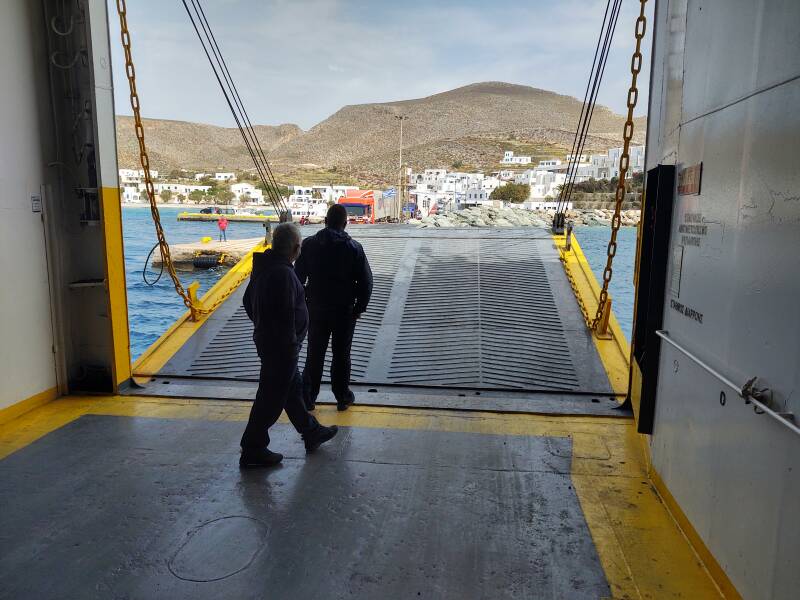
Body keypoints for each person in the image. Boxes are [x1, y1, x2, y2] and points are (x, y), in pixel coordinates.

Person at [239, 222, 338, 467]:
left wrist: (260, 324)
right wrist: (289, 345)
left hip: (273, 343)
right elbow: (285, 317)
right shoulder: (282, 274)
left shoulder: (265, 267)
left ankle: (311, 431)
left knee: (292, 393)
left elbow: (247, 301)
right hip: (282, 349)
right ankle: (253, 448)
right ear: (295, 248)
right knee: (270, 400)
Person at [295, 204, 373, 411]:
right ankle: (342, 397)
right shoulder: (354, 248)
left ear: (325, 221)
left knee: (314, 353)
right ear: (345, 224)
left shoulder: (309, 245)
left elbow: (297, 278)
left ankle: (309, 396)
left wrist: (302, 303)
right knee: (341, 354)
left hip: (315, 309)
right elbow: (366, 282)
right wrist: (359, 308)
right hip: (344, 310)